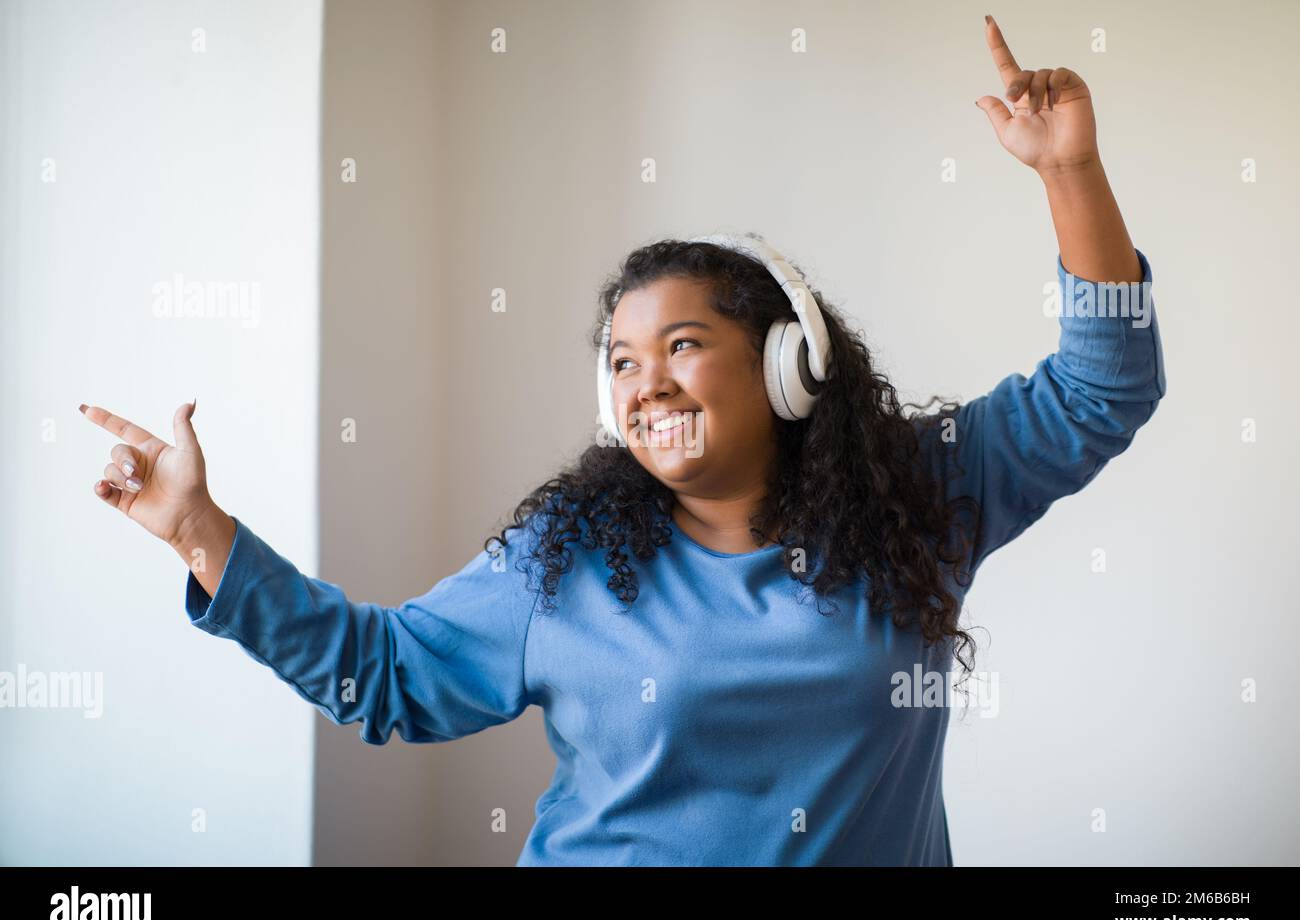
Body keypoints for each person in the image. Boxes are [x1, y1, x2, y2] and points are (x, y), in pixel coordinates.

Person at [81, 16, 1165, 865]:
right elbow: (387, 674)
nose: (646, 385)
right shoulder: (568, 555)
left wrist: (1068, 171)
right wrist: (200, 533)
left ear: (787, 361)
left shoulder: (923, 498)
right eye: (621, 363)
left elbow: (1098, 392)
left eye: (682, 345)